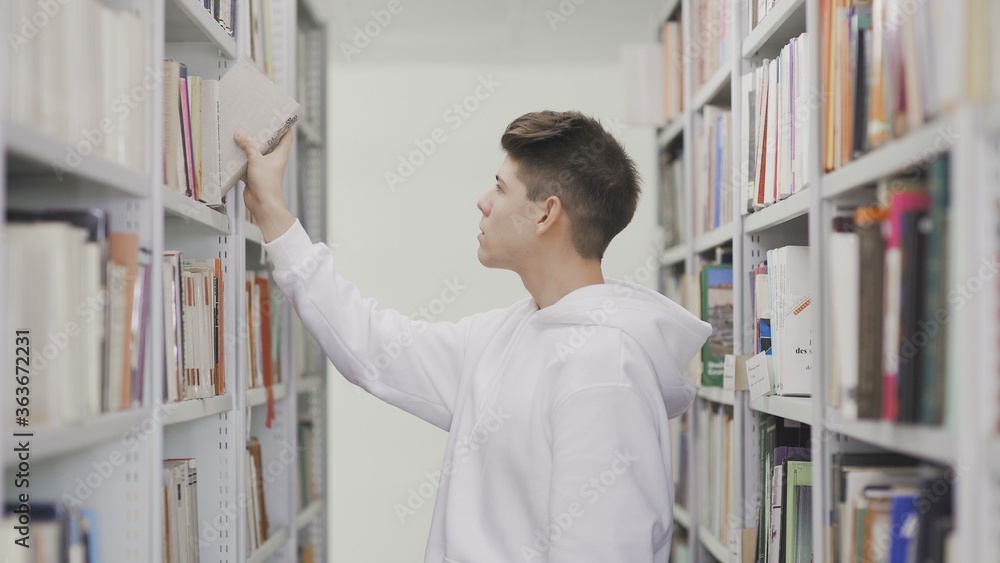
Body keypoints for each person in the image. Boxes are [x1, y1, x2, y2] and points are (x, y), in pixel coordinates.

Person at [235, 110, 712, 563]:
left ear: (545, 215)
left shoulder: (607, 374)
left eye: (501, 188)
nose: (483, 201)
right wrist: (274, 215)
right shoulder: (511, 332)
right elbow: (375, 347)